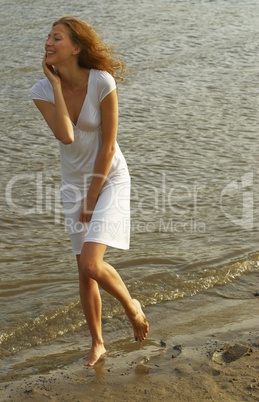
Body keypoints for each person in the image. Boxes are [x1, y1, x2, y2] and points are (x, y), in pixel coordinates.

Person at [30, 16, 149, 367]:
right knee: (83, 271)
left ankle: (131, 306)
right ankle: (98, 343)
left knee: (91, 263)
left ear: (77, 47)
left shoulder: (102, 81)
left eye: (57, 38)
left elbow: (108, 145)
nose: (49, 43)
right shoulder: (40, 90)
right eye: (48, 38)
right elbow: (66, 135)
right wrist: (54, 85)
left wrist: (93, 195)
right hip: (74, 184)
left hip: (109, 177)